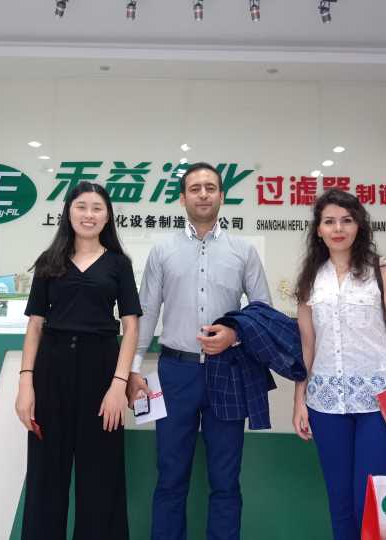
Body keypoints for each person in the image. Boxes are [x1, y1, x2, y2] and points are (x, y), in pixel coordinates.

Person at [127, 162, 272, 540]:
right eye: (195, 188)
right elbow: (146, 313)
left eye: (210, 187)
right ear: (183, 198)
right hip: (176, 373)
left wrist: (235, 334)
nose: (203, 194)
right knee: (170, 476)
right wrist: (133, 368)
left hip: (228, 370)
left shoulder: (244, 251)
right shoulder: (162, 251)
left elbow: (263, 311)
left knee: (226, 479)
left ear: (222, 196)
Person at [292, 188, 386, 540]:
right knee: (339, 503)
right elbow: (307, 345)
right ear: (318, 229)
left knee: (368, 502)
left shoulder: (382, 272)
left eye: (347, 220)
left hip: (380, 404)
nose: (338, 228)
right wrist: (299, 401)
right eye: (329, 221)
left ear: (359, 226)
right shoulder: (310, 280)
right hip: (325, 404)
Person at [15, 181, 141, 540]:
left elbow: (131, 326)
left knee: (101, 477)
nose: (89, 214)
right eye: (81, 206)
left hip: (101, 372)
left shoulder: (118, 264)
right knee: (45, 475)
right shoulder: (49, 262)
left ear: (108, 216)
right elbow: (35, 325)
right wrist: (26, 384)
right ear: (68, 212)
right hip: (51, 372)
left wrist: (118, 385)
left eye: (97, 208)